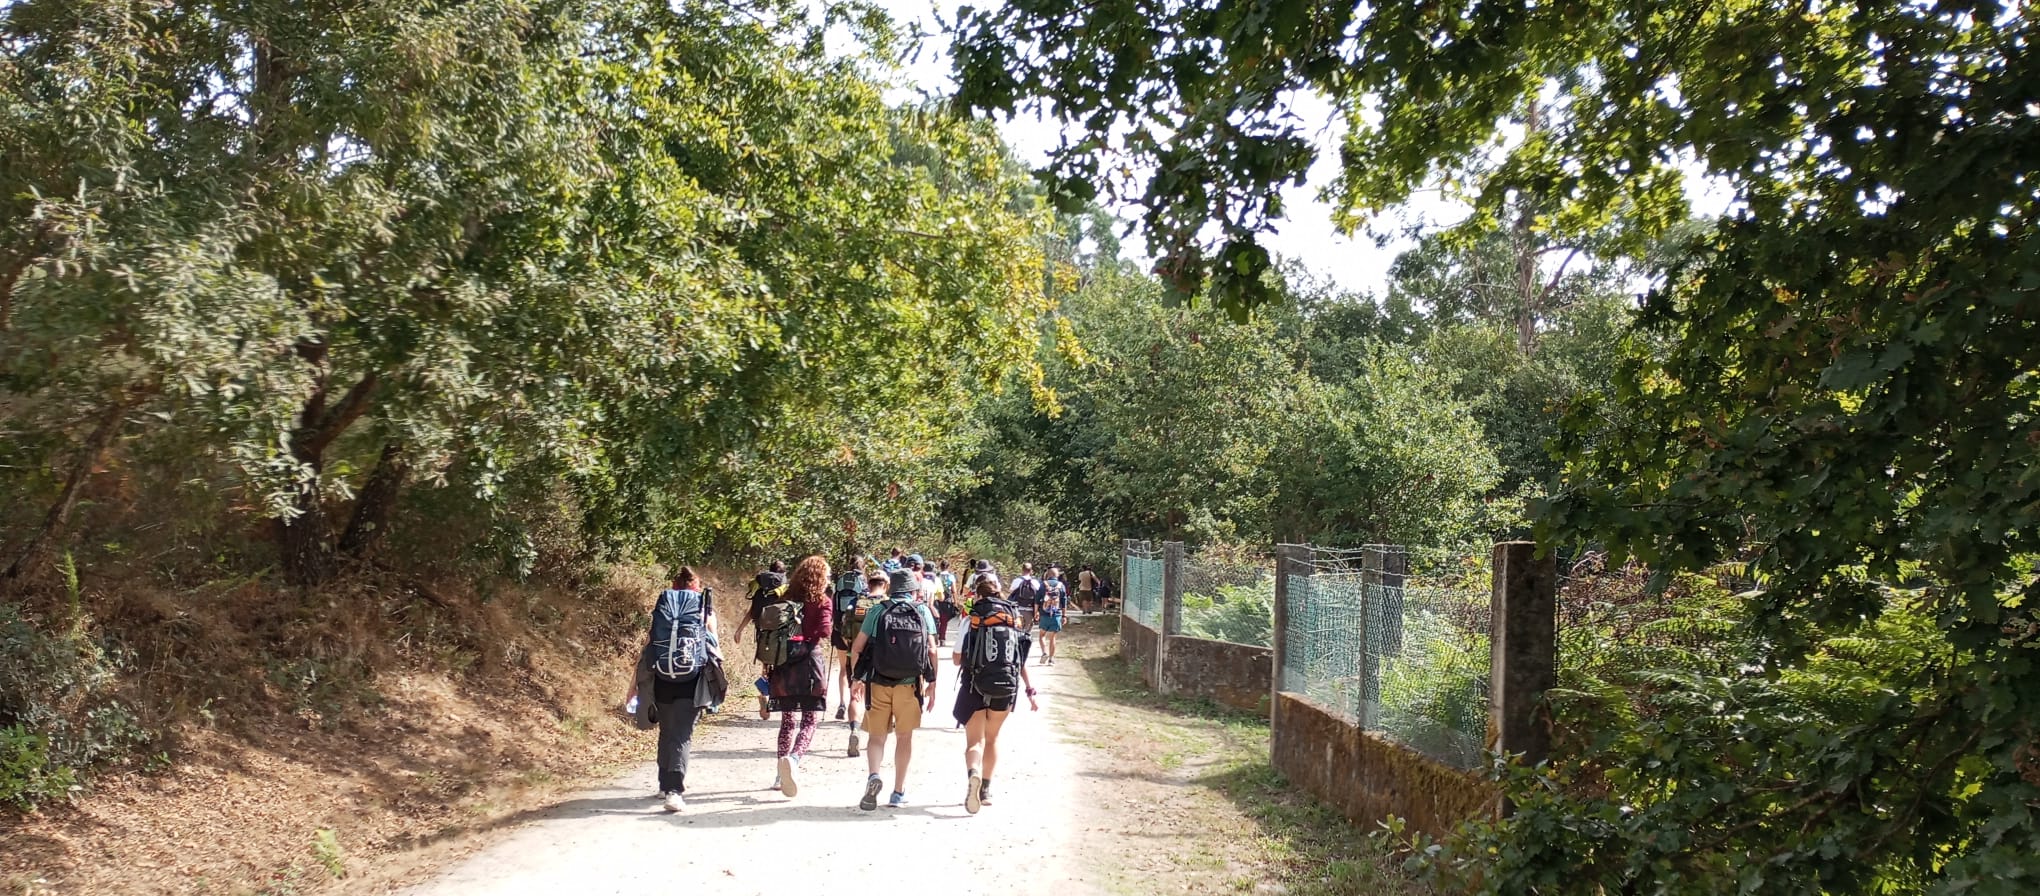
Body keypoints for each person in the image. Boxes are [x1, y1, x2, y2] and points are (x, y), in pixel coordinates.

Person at [626, 567, 724, 813]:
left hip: (661, 678)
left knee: (667, 730)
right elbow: (714, 650)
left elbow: (646, 650)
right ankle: (674, 791)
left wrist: (634, 686)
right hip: (691, 680)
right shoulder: (704, 611)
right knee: (682, 735)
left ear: (674, 586)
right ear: (696, 587)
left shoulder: (664, 614)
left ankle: (663, 783)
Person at [848, 568, 938, 810]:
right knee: (904, 737)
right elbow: (931, 650)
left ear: (890, 588)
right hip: (909, 685)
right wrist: (932, 683)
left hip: (878, 682)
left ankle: (874, 775)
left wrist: (858, 679)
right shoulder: (921, 611)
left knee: (877, 737)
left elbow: (857, 648)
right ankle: (898, 792)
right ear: (913, 591)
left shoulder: (877, 610)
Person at [952, 576, 1039, 813]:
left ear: (977, 596)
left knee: (974, 742)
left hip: (974, 685)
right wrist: (1030, 690)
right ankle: (986, 789)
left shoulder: (971, 621)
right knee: (992, 739)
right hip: (1005, 687)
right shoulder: (1013, 621)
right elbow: (1019, 661)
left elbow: (957, 659)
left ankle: (973, 774)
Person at [762, 556, 833, 797]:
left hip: (783, 663)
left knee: (787, 720)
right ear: (821, 578)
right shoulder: (823, 601)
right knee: (810, 719)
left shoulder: (785, 598)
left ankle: (779, 772)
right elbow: (824, 630)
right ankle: (793, 759)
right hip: (810, 663)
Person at [730, 559, 788, 646]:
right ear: (784, 573)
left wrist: (739, 630)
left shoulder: (761, 586)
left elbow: (752, 611)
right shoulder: (784, 588)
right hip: (777, 632)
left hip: (760, 627)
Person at [1038, 567, 1068, 664]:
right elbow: (1064, 601)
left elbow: (1037, 600)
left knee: (1042, 635)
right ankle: (1051, 659)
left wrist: (1035, 613)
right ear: (1057, 575)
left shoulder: (1043, 584)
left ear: (1047, 574)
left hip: (1044, 613)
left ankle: (1044, 652)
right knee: (1052, 637)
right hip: (1056, 614)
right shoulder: (1061, 585)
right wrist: (1064, 615)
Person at [934, 559, 962, 647]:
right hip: (947, 600)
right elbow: (954, 590)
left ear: (940, 566)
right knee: (944, 620)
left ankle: (936, 636)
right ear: (948, 567)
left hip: (937, 598)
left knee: (936, 619)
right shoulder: (951, 577)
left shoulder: (936, 576)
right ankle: (942, 638)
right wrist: (956, 601)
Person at [1008, 562, 1043, 632]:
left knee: (1017, 631)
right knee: (1027, 632)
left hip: (1017, 610)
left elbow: (1011, 592)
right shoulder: (1035, 582)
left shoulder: (1016, 581)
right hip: (1030, 610)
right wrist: (1037, 612)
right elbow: (1039, 596)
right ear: (1031, 571)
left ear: (1022, 570)